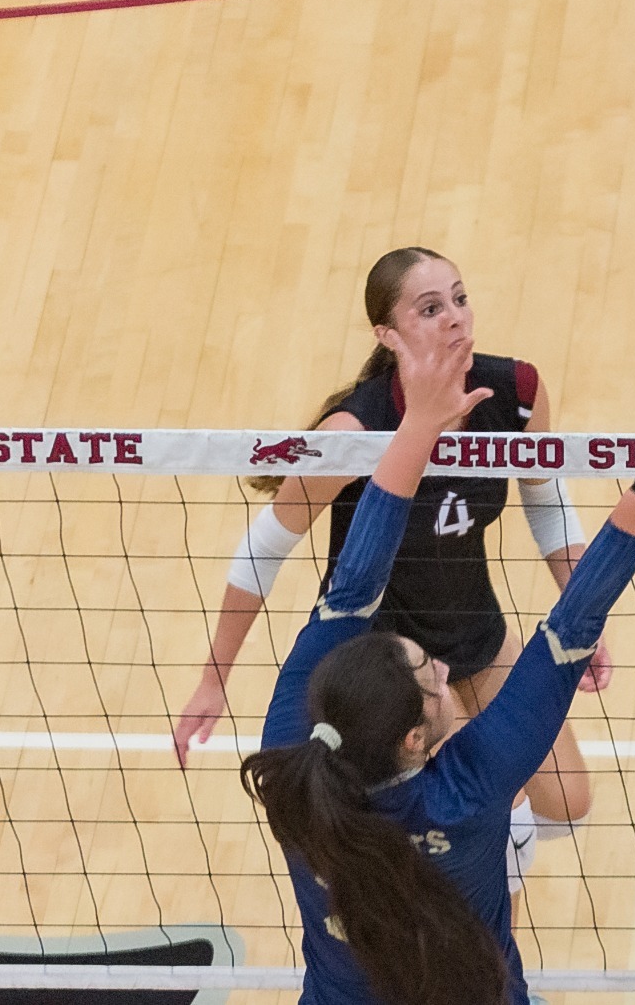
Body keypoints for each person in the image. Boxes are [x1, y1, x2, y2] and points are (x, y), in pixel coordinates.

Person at [239, 327, 635, 1005]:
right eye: (433, 678)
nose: (448, 674)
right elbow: (572, 623)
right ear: (414, 740)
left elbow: (353, 587)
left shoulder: (292, 768)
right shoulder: (468, 788)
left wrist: (416, 426)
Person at [175, 247, 600, 878]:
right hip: (384, 668)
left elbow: (547, 505)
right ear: (388, 334)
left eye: (459, 298)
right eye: (430, 309)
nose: (454, 318)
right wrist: (214, 677)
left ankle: (475, 863)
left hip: (472, 631)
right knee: (453, 816)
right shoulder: (357, 429)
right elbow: (264, 547)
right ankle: (473, 950)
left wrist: (580, 620)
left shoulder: (515, 393)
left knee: (566, 803)